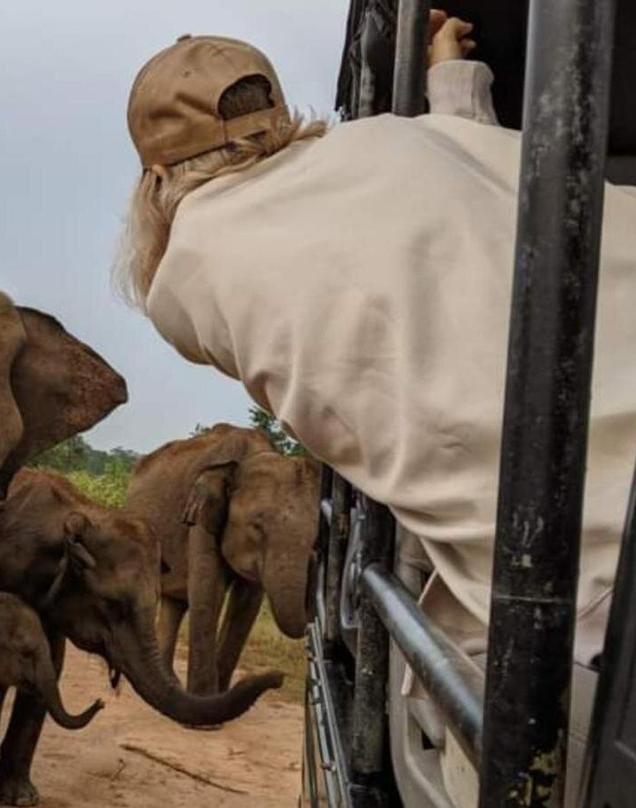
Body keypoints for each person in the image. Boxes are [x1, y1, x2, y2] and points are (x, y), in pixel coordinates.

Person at [117, 13, 635, 807]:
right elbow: (485, 186)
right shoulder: (397, 140)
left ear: (154, 179)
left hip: (600, 594)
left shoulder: (183, 278)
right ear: (282, 117)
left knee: (450, 715)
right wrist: (450, 77)